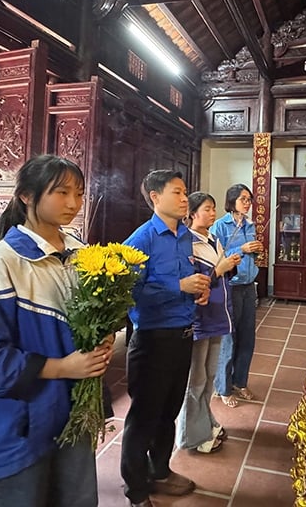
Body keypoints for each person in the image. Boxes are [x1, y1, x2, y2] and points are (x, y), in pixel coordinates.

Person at [0, 155, 113, 507]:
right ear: (26, 195)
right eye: (61, 192)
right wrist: (62, 368)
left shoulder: (80, 255)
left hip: (71, 417)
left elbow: (88, 324)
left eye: (80, 193)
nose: (74, 203)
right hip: (16, 427)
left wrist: (101, 340)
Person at [120, 170, 211, 507]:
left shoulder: (185, 236)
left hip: (183, 334)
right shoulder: (140, 240)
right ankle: (136, 489)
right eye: (177, 192)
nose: (185, 198)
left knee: (169, 410)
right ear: (155, 197)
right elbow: (127, 293)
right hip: (153, 340)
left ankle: (159, 470)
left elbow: (188, 275)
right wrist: (177, 288)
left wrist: (197, 289)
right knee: (144, 416)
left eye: (185, 192)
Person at [175, 192, 240, 454]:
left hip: (217, 316)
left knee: (209, 376)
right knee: (196, 379)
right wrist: (220, 269)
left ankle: (206, 422)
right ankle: (191, 435)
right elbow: (195, 282)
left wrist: (230, 265)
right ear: (192, 214)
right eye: (207, 209)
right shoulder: (187, 244)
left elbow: (220, 276)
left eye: (213, 209)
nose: (213, 214)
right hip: (200, 319)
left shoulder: (214, 239)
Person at [212, 184, 262, 408]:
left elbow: (252, 252)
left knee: (247, 337)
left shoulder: (250, 225)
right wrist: (243, 249)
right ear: (231, 201)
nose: (247, 203)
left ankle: (240, 381)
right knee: (228, 338)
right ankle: (223, 386)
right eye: (243, 199)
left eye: (249, 199)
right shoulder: (220, 226)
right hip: (230, 286)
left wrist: (257, 249)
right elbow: (217, 257)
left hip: (248, 286)